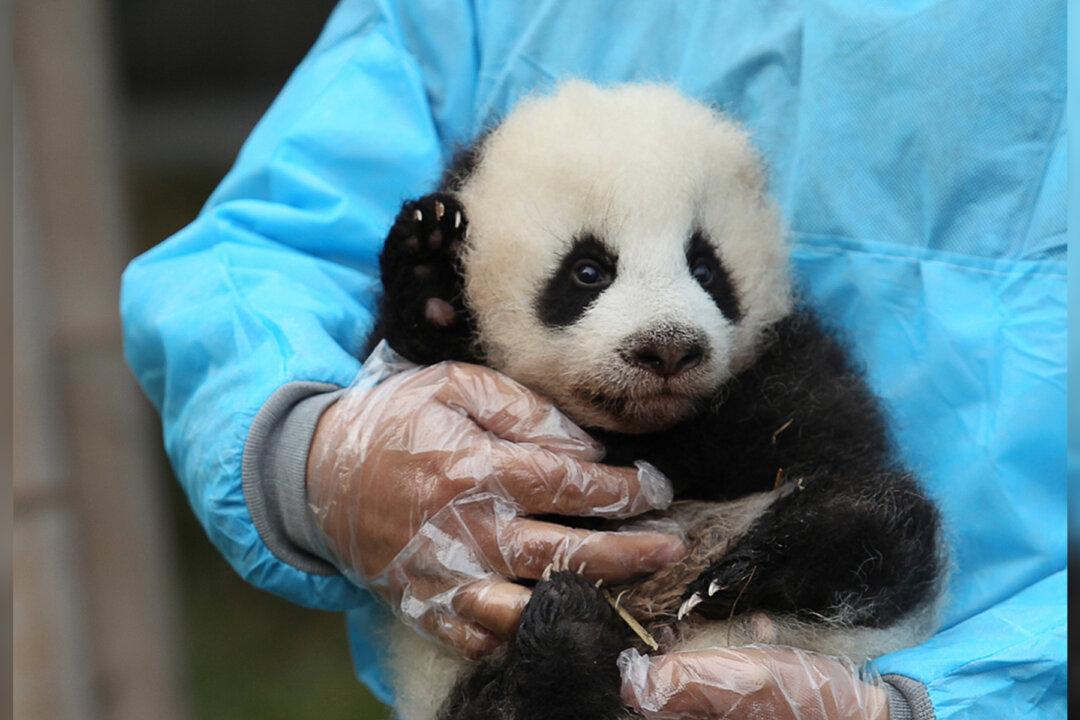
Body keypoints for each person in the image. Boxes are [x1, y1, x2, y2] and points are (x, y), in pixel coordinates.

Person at [121, 1, 1066, 718]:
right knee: (551, 651)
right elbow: (266, 247)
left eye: (703, 267)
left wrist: (947, 701)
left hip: (912, 662)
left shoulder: (788, 375)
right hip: (529, 661)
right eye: (588, 272)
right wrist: (316, 452)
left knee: (872, 524)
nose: (668, 330)